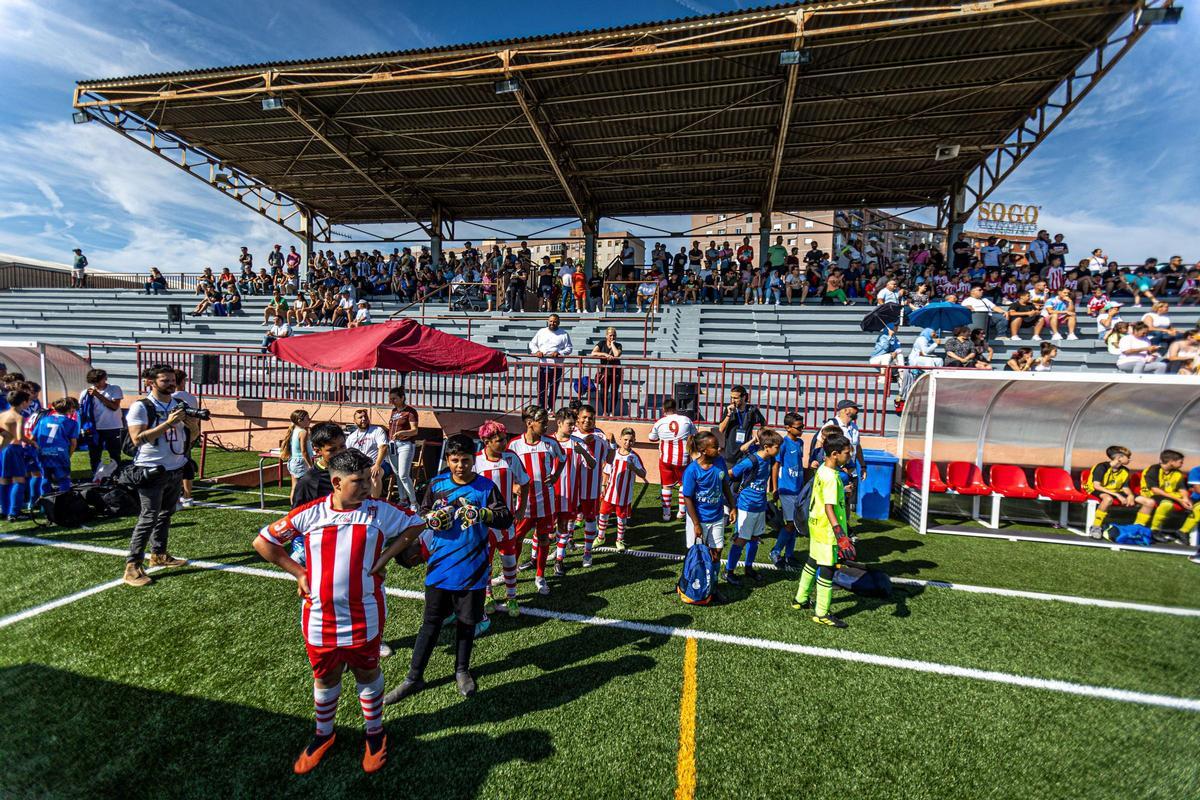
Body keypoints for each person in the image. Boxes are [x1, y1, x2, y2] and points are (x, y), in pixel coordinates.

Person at [254, 449, 426, 775]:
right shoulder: (311, 514)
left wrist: (387, 556)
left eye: (368, 480)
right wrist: (299, 572)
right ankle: (324, 734)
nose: (366, 487)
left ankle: (374, 733)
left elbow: (415, 524)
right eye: (358, 482)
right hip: (319, 617)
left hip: (365, 615)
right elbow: (263, 542)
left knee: (368, 674)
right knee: (325, 677)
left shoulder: (378, 511)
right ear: (336, 482)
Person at [380, 433, 514, 704]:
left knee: (467, 623)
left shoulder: (486, 487)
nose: (460, 466)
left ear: (473, 460)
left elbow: (505, 517)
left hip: (474, 568)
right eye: (455, 460)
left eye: (465, 460)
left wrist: (482, 514)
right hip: (440, 568)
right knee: (430, 623)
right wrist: (432, 518)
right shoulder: (437, 484)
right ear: (448, 460)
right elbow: (423, 514)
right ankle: (413, 677)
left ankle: (462, 670)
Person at [122, 364, 190, 587]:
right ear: (150, 383)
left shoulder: (177, 405)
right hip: (151, 469)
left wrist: (194, 427)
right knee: (148, 517)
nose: (171, 384)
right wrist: (168, 423)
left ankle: (159, 554)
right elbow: (137, 439)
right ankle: (132, 566)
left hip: (174, 468)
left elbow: (187, 437)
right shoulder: (141, 407)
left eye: (172, 380)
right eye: (165, 380)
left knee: (165, 514)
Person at [792, 433, 855, 628]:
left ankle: (800, 599)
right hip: (828, 530)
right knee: (827, 569)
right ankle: (822, 612)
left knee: (812, 561)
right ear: (835, 454)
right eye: (846, 453)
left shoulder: (822, 469)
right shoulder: (831, 477)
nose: (849, 456)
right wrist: (840, 533)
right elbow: (829, 507)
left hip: (816, 525)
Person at [507, 405, 565, 595]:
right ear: (530, 423)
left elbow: (563, 458)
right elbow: (505, 467)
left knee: (543, 539)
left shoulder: (550, 443)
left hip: (546, 502)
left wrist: (556, 476)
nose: (546, 426)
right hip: (524, 503)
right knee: (516, 538)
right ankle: (510, 572)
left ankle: (540, 576)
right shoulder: (514, 444)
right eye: (542, 423)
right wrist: (514, 487)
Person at [475, 420, 529, 615]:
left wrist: (521, 508)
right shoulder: (476, 461)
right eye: (498, 440)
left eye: (504, 439)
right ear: (486, 441)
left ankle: (512, 598)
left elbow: (524, 482)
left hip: (506, 521)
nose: (503, 443)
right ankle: (488, 595)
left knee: (509, 561)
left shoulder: (511, 458)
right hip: (486, 524)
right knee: (486, 562)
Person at [725, 428, 782, 586]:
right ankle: (729, 571)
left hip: (760, 506)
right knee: (741, 539)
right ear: (766, 447)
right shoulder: (751, 460)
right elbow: (731, 473)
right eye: (777, 447)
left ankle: (748, 568)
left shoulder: (769, 460)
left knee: (755, 538)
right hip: (746, 505)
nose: (779, 450)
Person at [550, 407, 597, 575]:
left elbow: (592, 465)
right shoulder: (548, 441)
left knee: (563, 526)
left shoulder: (578, 443)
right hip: (549, 494)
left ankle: (559, 560)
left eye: (573, 424)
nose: (572, 427)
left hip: (569, 494)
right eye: (569, 424)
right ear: (559, 423)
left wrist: (583, 452)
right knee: (545, 529)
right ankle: (535, 559)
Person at [1083, 445, 1153, 539]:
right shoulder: (1101, 467)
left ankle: (1137, 529)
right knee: (1107, 499)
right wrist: (1117, 495)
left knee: (1149, 502)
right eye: (1128, 457)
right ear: (1119, 458)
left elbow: (1125, 488)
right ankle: (1096, 527)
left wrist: (1130, 495)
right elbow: (1097, 486)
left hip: (1115, 491)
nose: (1130, 460)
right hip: (1095, 490)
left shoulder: (1125, 471)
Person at [572, 404, 610, 567]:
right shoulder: (570, 435)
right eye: (584, 417)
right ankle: (566, 546)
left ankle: (587, 553)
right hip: (571, 486)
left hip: (591, 487)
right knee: (567, 519)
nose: (587, 420)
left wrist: (604, 481)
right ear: (578, 419)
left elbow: (610, 457)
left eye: (591, 418)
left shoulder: (600, 437)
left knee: (589, 519)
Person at [597, 427, 646, 552]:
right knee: (603, 515)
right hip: (610, 492)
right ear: (620, 439)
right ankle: (600, 537)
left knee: (621, 519)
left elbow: (643, 474)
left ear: (634, 441)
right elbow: (606, 472)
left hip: (624, 495)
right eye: (625, 440)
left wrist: (633, 468)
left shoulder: (634, 457)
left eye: (630, 441)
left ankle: (619, 540)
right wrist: (603, 486)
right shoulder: (614, 454)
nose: (627, 443)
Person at [648, 398, 696, 522]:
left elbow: (652, 438)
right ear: (676, 408)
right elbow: (694, 435)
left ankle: (666, 514)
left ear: (664, 409)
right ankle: (681, 512)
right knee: (683, 484)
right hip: (683, 458)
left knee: (666, 485)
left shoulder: (659, 422)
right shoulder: (686, 420)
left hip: (666, 459)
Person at [770, 413, 805, 568]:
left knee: (796, 525)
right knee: (790, 523)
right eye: (799, 427)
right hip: (786, 489)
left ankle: (789, 556)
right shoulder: (783, 444)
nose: (802, 430)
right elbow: (776, 466)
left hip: (798, 489)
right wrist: (775, 488)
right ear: (788, 428)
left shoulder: (801, 442)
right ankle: (775, 552)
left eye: (802, 426)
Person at [1136, 449, 1193, 544]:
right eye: (1180, 461)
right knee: (1167, 504)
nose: (1182, 464)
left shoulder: (1177, 473)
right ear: (1171, 462)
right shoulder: (1153, 470)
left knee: (1197, 507)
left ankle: (1183, 531)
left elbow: (1182, 489)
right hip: (1152, 495)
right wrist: (1179, 499)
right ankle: (1155, 530)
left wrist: (1186, 499)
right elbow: (1155, 490)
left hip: (1170, 496)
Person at [79, 368, 124, 477]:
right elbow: (82, 409)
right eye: (94, 382)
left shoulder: (114, 389)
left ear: (105, 379)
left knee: (114, 454)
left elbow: (114, 406)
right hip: (94, 428)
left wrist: (98, 395)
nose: (96, 384)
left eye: (98, 381)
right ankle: (96, 476)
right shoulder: (85, 393)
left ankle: (116, 475)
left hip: (112, 426)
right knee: (94, 454)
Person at [822, 399, 864, 516]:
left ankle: (846, 527)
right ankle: (834, 526)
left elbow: (858, 447)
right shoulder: (831, 425)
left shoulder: (854, 427)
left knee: (847, 501)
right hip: (837, 472)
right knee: (834, 500)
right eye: (854, 408)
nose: (857, 411)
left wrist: (863, 465)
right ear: (845, 410)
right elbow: (821, 446)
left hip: (851, 470)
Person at [292, 422, 347, 507]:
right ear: (318, 451)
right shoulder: (309, 481)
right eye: (332, 450)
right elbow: (298, 516)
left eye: (342, 446)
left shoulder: (353, 470)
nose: (339, 453)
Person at [31, 397, 77, 495]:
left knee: (45, 478)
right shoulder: (72, 423)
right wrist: (69, 455)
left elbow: (32, 438)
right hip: (60, 453)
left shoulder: (43, 420)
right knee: (64, 479)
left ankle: (45, 505)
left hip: (43, 452)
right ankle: (63, 504)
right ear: (69, 410)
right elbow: (73, 443)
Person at [529, 314, 572, 411]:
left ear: (559, 322)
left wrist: (559, 353)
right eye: (551, 321)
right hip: (543, 365)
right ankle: (541, 408)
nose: (552, 323)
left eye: (555, 321)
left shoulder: (564, 334)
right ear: (548, 321)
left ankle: (550, 408)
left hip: (556, 367)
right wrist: (537, 351)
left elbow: (569, 348)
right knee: (541, 389)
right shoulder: (541, 332)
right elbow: (532, 344)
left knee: (553, 389)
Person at [172, 369, 201, 509]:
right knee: (186, 463)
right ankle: (187, 496)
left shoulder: (171, 397)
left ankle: (176, 498)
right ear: (182, 381)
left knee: (174, 466)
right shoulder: (191, 397)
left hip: (175, 434)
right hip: (189, 433)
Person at [0, 390, 31, 521]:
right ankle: (14, 512)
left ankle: (4, 509)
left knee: (4, 480)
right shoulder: (19, 417)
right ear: (23, 402)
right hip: (13, 448)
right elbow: (20, 436)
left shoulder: (2, 414)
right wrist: (33, 442)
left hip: (2, 448)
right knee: (19, 480)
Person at [386, 387, 420, 507]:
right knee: (397, 474)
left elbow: (414, 431)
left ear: (402, 398)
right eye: (390, 399)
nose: (392, 401)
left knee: (403, 475)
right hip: (393, 445)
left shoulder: (410, 412)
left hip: (405, 444)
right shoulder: (394, 411)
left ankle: (414, 502)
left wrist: (402, 433)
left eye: (394, 398)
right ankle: (403, 499)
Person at [346, 409, 390, 498]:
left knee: (374, 475)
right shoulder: (351, 437)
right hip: (361, 467)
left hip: (381, 464)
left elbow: (383, 447)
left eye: (365, 417)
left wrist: (377, 465)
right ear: (354, 421)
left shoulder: (377, 430)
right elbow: (347, 454)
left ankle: (374, 503)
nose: (363, 419)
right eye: (360, 417)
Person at [718, 385, 765, 465]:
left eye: (735, 398)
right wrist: (728, 415)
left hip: (746, 452)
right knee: (730, 476)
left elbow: (764, 424)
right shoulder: (729, 410)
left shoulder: (752, 410)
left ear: (743, 397)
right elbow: (721, 429)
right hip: (731, 453)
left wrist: (758, 436)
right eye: (732, 397)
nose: (733, 400)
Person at [280, 409, 314, 505]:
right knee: (304, 487)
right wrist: (311, 465)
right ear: (300, 420)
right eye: (307, 418)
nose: (310, 420)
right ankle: (300, 506)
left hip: (293, 461)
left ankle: (293, 507)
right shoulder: (302, 432)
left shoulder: (295, 429)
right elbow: (304, 451)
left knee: (294, 486)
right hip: (301, 463)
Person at [589, 326, 623, 416]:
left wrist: (612, 344)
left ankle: (611, 412)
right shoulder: (601, 343)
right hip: (605, 372)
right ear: (606, 335)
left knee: (614, 392)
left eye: (614, 335)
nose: (612, 337)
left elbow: (616, 354)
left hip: (616, 372)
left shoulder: (618, 345)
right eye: (610, 335)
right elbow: (593, 353)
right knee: (603, 392)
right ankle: (605, 411)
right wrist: (604, 354)